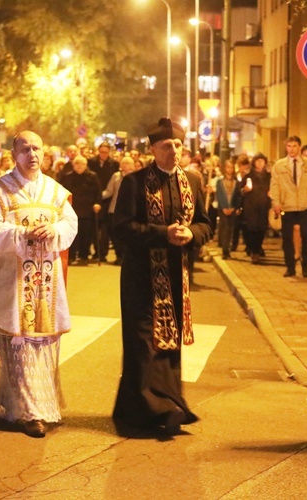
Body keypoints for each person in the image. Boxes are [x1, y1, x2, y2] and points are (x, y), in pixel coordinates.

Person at [112, 118, 212, 435]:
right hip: (141, 277)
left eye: (178, 145)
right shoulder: (134, 182)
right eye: (167, 146)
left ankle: (168, 407)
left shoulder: (193, 181)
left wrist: (191, 233)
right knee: (143, 345)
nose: (174, 151)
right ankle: (140, 413)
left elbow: (207, 225)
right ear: (153, 149)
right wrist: (162, 234)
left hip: (174, 277)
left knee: (168, 347)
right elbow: (121, 229)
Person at [0, 130, 78, 438]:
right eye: (25, 149)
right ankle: (25, 411)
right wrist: (22, 234)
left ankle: (40, 407)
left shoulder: (57, 192)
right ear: (14, 155)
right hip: (14, 279)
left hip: (47, 282)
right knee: (18, 346)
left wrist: (55, 229)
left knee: (42, 344)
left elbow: (70, 224)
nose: (32, 154)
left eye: (37, 148)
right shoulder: (0, 192)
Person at [270, 135, 307, 278]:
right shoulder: (279, 165)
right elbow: (275, 185)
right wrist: (276, 202)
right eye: (289, 146)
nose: (291, 149)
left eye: (294, 146)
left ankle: (305, 266)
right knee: (287, 238)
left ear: (299, 147)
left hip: (305, 205)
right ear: (286, 147)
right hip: (287, 206)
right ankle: (290, 266)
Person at [60, 155, 101, 265]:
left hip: (88, 209)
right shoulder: (67, 177)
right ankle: (71, 256)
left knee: (86, 234)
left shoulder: (92, 176)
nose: (80, 166)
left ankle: (84, 256)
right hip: (72, 209)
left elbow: (98, 191)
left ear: (86, 165)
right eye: (77, 164)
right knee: (72, 234)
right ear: (73, 165)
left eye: (82, 164)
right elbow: (62, 192)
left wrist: (97, 203)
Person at [88, 142, 119, 262]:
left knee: (106, 228)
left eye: (106, 152)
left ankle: (103, 252)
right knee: (95, 226)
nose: (103, 154)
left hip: (108, 198)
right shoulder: (91, 162)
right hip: (95, 196)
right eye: (101, 152)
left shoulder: (114, 164)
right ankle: (97, 251)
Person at [103, 156, 135, 265]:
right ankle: (119, 255)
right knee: (115, 234)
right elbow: (109, 191)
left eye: (127, 163)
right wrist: (95, 197)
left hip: (131, 210)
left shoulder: (136, 176)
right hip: (114, 209)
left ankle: (128, 256)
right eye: (123, 163)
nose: (125, 165)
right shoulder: (116, 176)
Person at [241, 153, 271, 263]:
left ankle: (258, 248)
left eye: (262, 161)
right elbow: (241, 190)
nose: (259, 163)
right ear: (254, 163)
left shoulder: (269, 176)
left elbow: (274, 187)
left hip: (264, 206)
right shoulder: (248, 176)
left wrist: (271, 193)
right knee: (252, 229)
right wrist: (245, 190)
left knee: (262, 229)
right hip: (251, 206)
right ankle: (254, 251)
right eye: (257, 161)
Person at [215, 159, 242, 259]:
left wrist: (235, 207)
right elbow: (219, 195)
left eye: (231, 167)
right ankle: (225, 250)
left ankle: (228, 248)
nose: (229, 169)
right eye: (228, 167)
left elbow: (238, 196)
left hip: (232, 208)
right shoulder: (220, 182)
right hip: (223, 209)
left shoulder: (236, 182)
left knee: (231, 229)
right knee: (225, 228)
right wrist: (224, 208)